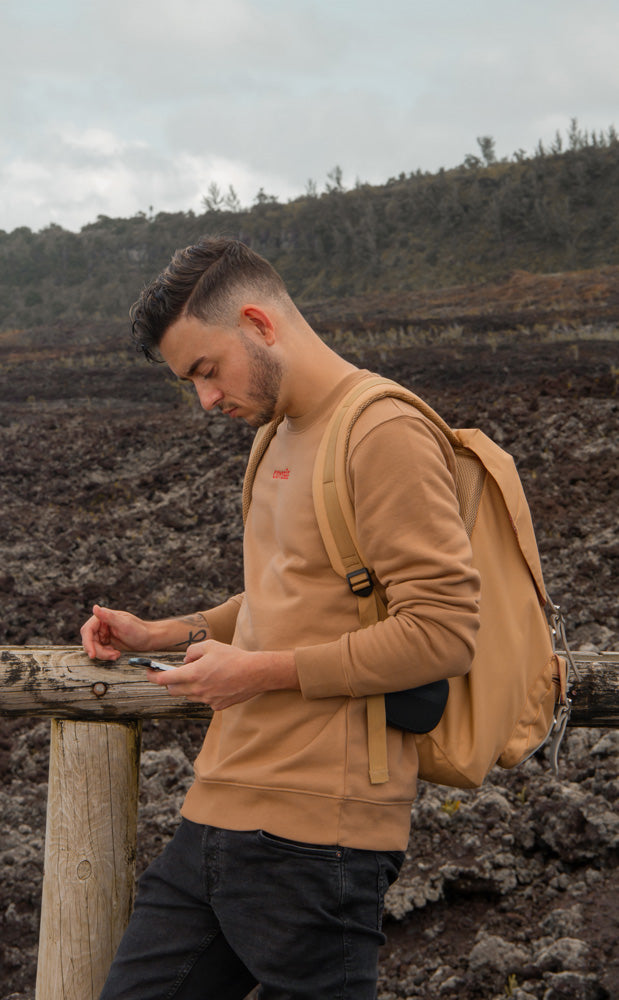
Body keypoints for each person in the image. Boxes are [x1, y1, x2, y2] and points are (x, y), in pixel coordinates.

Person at [81, 237, 481, 1000]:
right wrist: (164, 633)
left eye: (206, 370)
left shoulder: (381, 430)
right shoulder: (276, 435)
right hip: (217, 813)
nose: (205, 400)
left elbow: (441, 629)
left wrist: (255, 672)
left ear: (259, 324)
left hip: (318, 838)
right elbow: (282, 600)